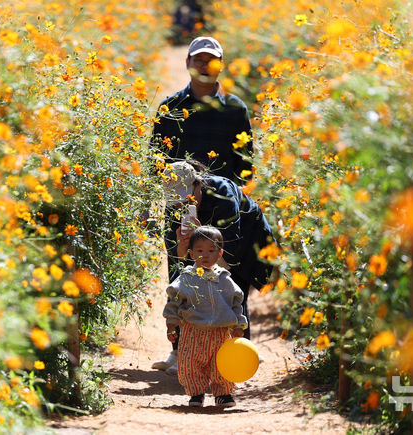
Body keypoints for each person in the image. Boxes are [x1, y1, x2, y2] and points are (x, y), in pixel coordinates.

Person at [152, 161, 275, 375]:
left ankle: (239, 353)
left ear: (198, 185)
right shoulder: (174, 205)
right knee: (185, 289)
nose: (182, 205)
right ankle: (181, 352)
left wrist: (201, 234)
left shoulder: (223, 193)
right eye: (178, 202)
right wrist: (183, 244)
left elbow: (232, 241)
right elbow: (176, 258)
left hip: (245, 244)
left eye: (188, 198)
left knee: (233, 292)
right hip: (206, 248)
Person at [162, 225, 247, 407]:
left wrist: (239, 325)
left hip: (220, 332)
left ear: (220, 253)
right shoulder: (186, 278)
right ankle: (196, 393)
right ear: (191, 254)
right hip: (193, 331)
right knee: (190, 364)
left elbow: (236, 302)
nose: (205, 255)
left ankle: (223, 393)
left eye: (211, 250)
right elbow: (174, 300)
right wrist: (171, 324)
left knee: (220, 364)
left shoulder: (224, 278)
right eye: (200, 250)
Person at [151, 36, 254, 185]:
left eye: (211, 60)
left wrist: (240, 200)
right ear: (187, 63)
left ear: (221, 65)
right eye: (199, 59)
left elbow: (245, 163)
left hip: (223, 198)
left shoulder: (236, 108)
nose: (204, 66)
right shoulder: (170, 107)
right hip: (177, 196)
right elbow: (156, 158)